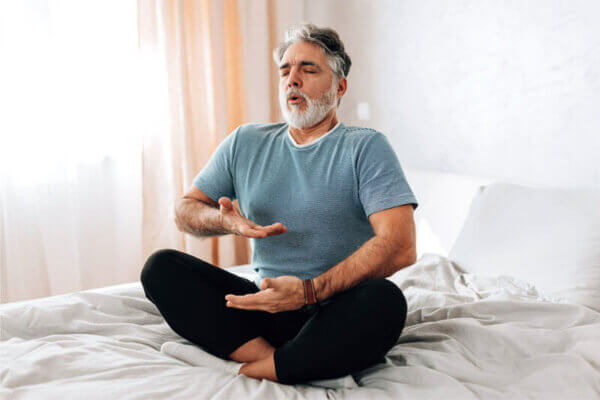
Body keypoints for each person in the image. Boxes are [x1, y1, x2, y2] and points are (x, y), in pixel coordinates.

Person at [140, 23, 419, 385]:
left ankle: (258, 368)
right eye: (285, 70)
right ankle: (273, 362)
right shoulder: (246, 141)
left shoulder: (365, 147)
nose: (293, 80)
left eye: (309, 69)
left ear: (340, 87)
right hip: (263, 306)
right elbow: (185, 210)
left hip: (334, 310)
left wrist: (308, 292)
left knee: (386, 300)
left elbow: (401, 245)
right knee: (161, 268)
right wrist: (227, 223)